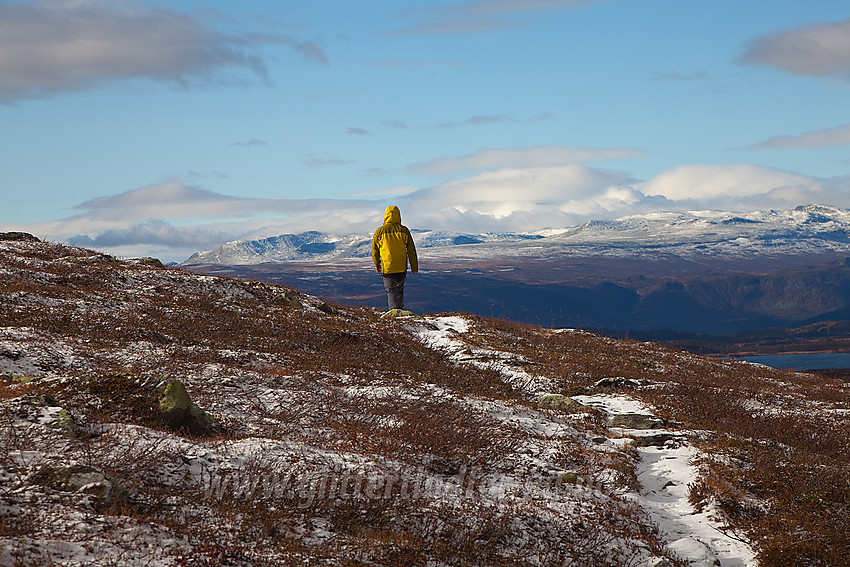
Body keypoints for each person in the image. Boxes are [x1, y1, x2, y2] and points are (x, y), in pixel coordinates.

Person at [372, 205, 418, 311]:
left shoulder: (379, 231)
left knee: (391, 290)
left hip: (387, 266)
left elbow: (375, 250)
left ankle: (394, 312)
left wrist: (376, 263)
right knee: (399, 289)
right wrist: (414, 267)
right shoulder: (404, 230)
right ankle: (400, 310)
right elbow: (411, 249)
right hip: (401, 266)